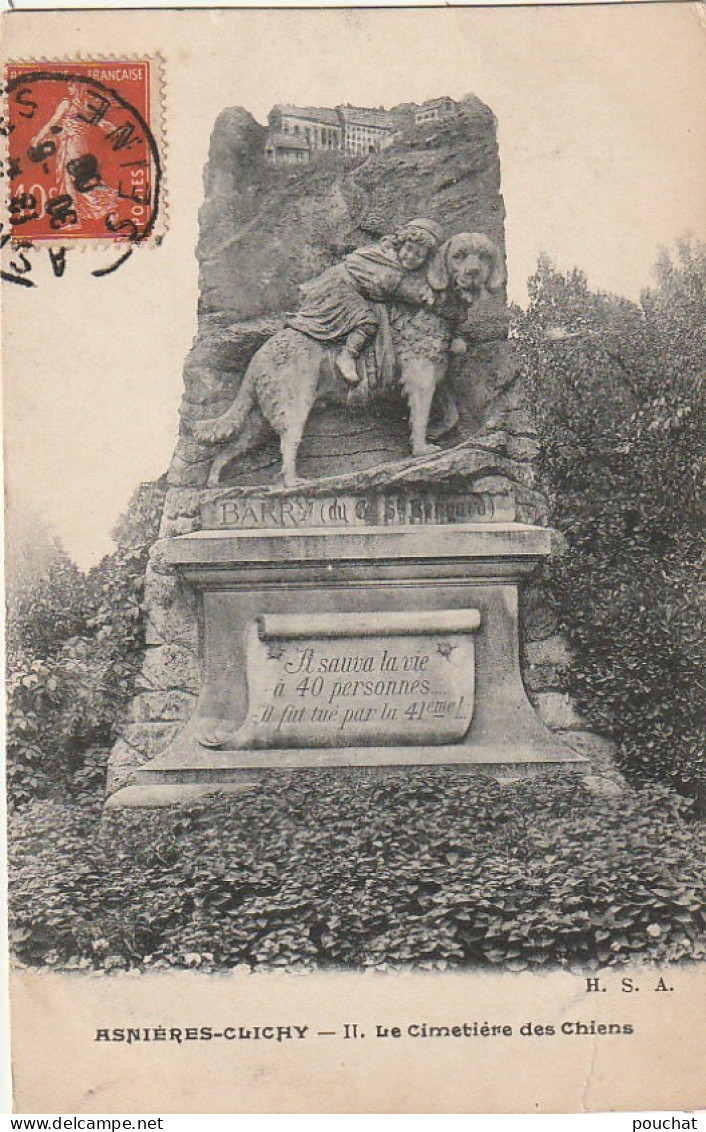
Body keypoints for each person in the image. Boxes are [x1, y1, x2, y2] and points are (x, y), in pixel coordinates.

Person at [286, 218, 444, 388]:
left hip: (344, 287)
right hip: (340, 288)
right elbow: (400, 290)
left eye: (418, 255)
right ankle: (347, 356)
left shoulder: (394, 262)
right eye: (408, 249)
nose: (411, 256)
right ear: (400, 244)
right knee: (367, 322)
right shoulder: (386, 262)